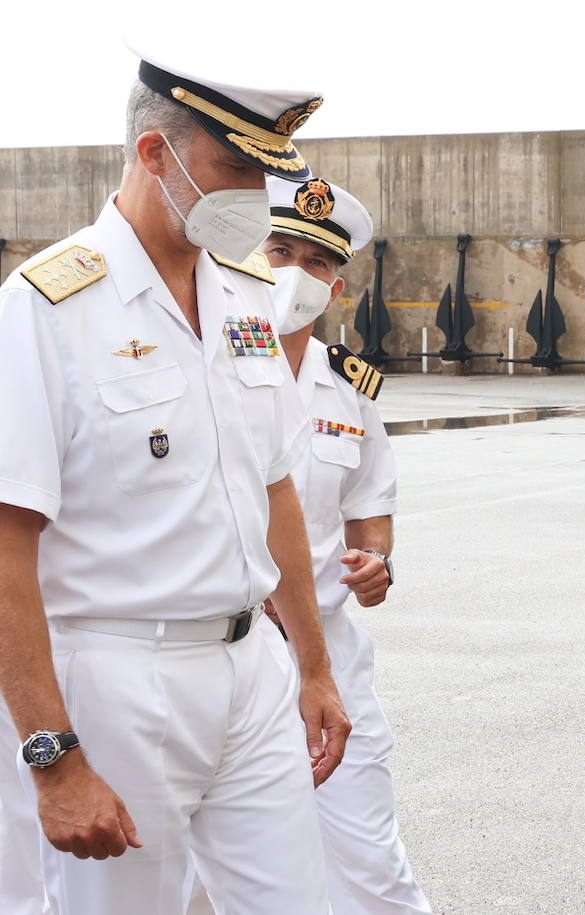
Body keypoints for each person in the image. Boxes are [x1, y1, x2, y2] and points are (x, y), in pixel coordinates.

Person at [0, 50, 348, 914]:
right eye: (236, 167)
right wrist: (54, 754)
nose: (256, 197)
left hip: (250, 672)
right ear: (156, 153)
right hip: (120, 679)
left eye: (265, 173)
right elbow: (8, 542)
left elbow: (276, 492)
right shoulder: (46, 310)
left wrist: (312, 665)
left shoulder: (243, 297)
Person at [256, 175, 432, 914]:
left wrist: (376, 562)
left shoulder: (348, 388)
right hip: (232, 646)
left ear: (336, 287)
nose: (298, 270)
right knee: (215, 874)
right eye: (281, 248)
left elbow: (369, 503)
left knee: (369, 860)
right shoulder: (207, 364)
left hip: (330, 651)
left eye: (319, 261)